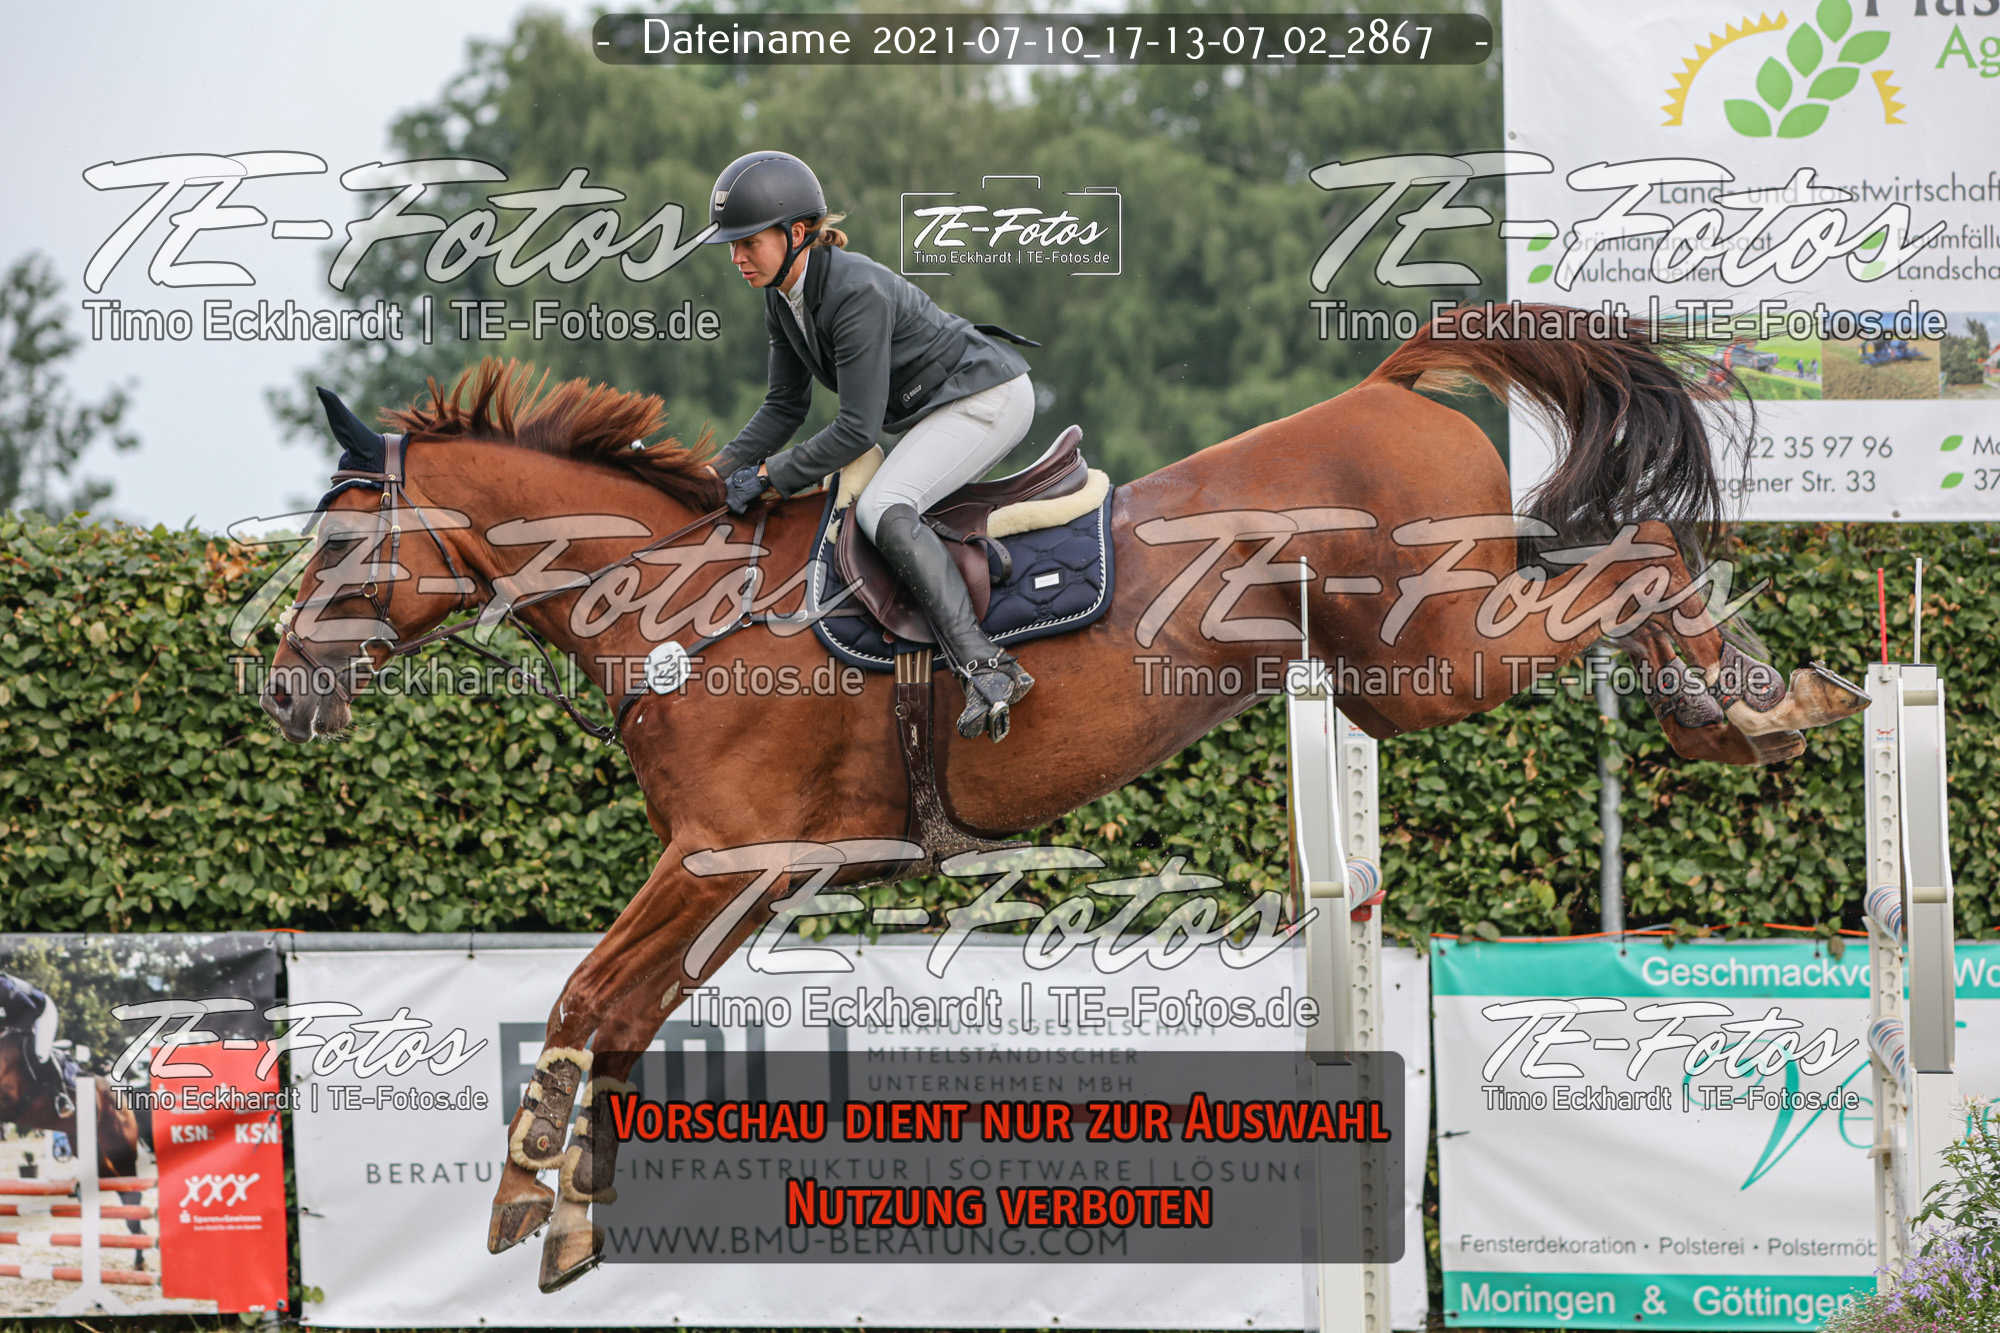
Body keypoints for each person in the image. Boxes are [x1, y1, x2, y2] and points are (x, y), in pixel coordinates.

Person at [700, 150, 1041, 742]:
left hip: (987, 399)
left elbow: (857, 432)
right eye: (732, 245)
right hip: (943, 405)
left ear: (796, 234)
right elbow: (784, 407)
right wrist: (713, 472)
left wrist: (770, 477)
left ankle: (987, 667)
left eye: (748, 242)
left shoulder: (854, 292)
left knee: (882, 506)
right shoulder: (782, 296)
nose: (736, 258)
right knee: (879, 500)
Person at [0, 975, 73, 1117]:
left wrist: (8, 1028)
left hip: (41, 1013)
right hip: (17, 1017)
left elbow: (30, 1010)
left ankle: (60, 1095)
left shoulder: (3, 987)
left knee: (39, 1053)